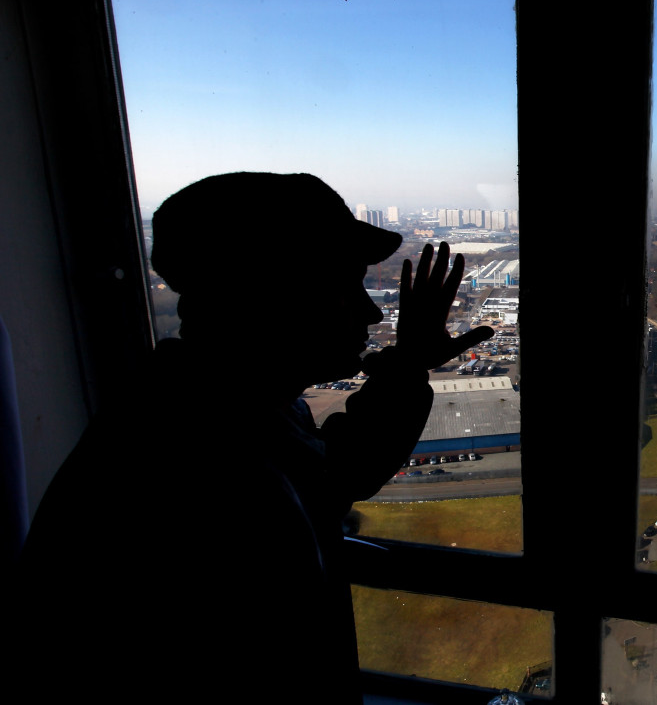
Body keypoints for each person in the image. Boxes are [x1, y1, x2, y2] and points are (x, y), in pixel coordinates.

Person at [13, 173, 492, 702]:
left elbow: (336, 473)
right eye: (343, 288)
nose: (373, 311)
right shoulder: (207, 478)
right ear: (269, 299)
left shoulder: (219, 409)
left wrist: (405, 366)